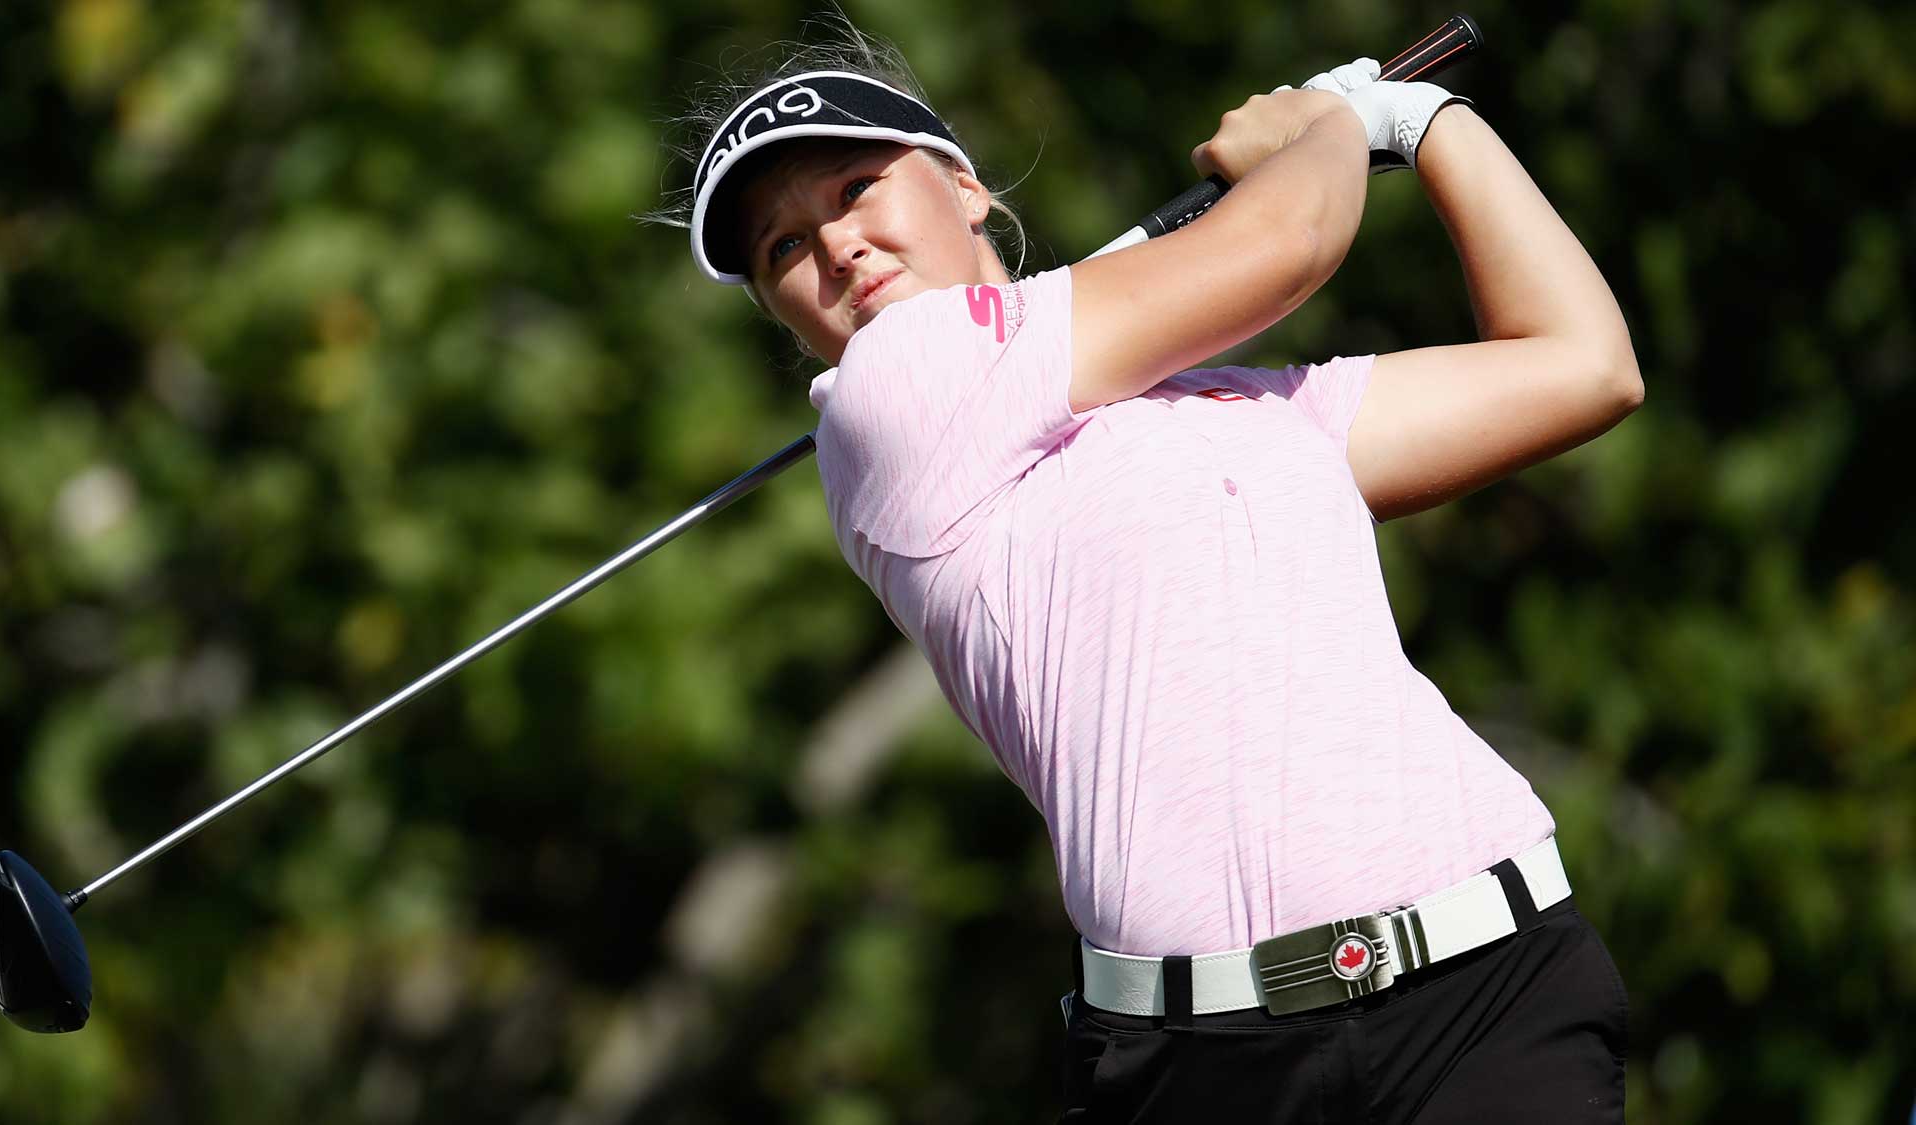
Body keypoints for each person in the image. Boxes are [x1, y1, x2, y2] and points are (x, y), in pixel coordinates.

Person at [656, 23, 1641, 1124]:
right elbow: (1287, 243)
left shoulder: (1243, 408)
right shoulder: (888, 399)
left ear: (965, 189)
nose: (835, 245)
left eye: (854, 186)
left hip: (1484, 993)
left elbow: (1580, 365)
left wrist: (1428, 124)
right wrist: (1332, 126)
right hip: (1202, 1069)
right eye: (784, 247)